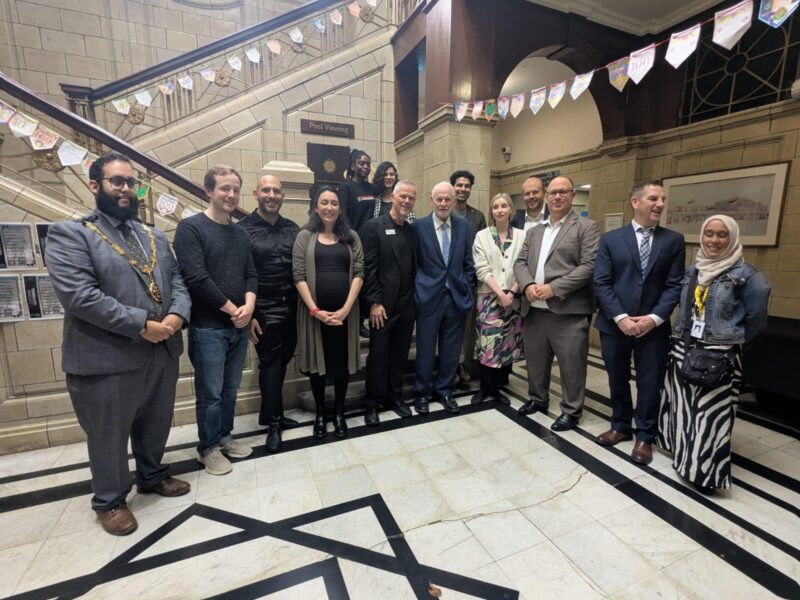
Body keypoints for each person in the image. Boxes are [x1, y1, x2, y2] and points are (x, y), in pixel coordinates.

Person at [46, 151, 191, 536]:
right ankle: (109, 500)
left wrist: (177, 316)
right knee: (109, 433)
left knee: (156, 422)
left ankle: (152, 474)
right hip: (107, 356)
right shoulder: (71, 234)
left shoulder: (154, 235)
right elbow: (80, 297)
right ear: (96, 186)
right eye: (117, 181)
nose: (127, 189)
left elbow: (177, 281)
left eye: (131, 182)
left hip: (162, 350)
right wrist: (143, 324)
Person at [659, 215, 770, 495]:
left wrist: (731, 339)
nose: (714, 240)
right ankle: (684, 460)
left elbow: (757, 318)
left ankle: (705, 473)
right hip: (685, 347)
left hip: (719, 354)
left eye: (722, 235)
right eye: (709, 233)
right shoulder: (693, 270)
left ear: (732, 238)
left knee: (710, 416)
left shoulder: (747, 275)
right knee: (684, 411)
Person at [593, 181, 685, 465]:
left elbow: (674, 285)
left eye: (662, 199)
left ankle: (645, 435)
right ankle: (620, 425)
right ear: (635, 202)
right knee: (617, 377)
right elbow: (602, 282)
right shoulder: (611, 240)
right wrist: (621, 318)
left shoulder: (673, 240)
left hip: (653, 329)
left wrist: (654, 318)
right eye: (653, 198)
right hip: (614, 325)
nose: (659, 204)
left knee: (649, 382)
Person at [173, 165, 257, 476]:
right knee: (211, 393)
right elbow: (196, 278)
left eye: (235, 189)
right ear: (208, 191)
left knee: (231, 389)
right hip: (208, 327)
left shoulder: (240, 233)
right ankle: (207, 448)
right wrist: (233, 309)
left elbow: (252, 273)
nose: (231, 194)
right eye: (224, 188)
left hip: (238, 325)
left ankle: (224, 438)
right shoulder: (190, 229)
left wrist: (248, 306)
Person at [513, 176, 599, 431]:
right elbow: (520, 262)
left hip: (568, 311)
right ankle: (537, 399)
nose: (557, 197)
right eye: (553, 193)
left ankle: (571, 410)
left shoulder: (586, 227)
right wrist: (528, 286)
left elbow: (589, 266)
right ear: (546, 196)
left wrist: (553, 288)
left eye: (563, 192)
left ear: (572, 195)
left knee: (572, 365)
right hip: (534, 311)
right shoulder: (535, 231)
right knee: (536, 361)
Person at [293, 186, 364, 438]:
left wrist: (345, 309)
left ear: (340, 208)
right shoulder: (305, 236)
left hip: (346, 316)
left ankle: (339, 413)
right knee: (318, 368)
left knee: (342, 366)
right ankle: (321, 413)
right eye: (324, 202)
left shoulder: (351, 237)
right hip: (315, 316)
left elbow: (359, 272)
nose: (329, 207)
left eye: (334, 203)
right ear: (316, 206)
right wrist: (315, 310)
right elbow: (298, 276)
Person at [238, 174, 300, 453]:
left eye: (276, 190)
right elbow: (240, 275)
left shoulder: (292, 228)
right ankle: (273, 424)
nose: (272, 195)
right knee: (271, 365)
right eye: (266, 190)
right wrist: (249, 315)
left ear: (282, 195)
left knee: (284, 360)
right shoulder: (242, 230)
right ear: (255, 193)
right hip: (263, 307)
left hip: (293, 306)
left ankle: (268, 412)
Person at [413, 181, 476, 415]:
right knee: (426, 349)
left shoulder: (463, 226)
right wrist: (418, 290)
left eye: (447, 199)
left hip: (456, 299)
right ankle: (421, 393)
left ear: (453, 200)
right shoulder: (419, 227)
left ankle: (445, 391)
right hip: (428, 298)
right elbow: (414, 263)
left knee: (451, 350)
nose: (443, 203)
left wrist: (467, 289)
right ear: (431, 200)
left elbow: (469, 263)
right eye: (438, 199)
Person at [361, 180, 418, 426]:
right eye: (403, 196)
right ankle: (372, 403)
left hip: (407, 306)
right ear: (393, 197)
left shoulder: (412, 230)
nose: (406, 201)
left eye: (411, 198)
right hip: (382, 307)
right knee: (378, 356)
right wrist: (374, 302)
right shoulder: (373, 227)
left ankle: (395, 397)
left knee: (399, 355)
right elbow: (368, 268)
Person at [471, 193, 525, 405]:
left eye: (504, 206)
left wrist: (511, 292)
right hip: (489, 296)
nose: (500, 210)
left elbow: (523, 265)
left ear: (511, 209)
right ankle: (486, 388)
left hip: (513, 297)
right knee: (488, 343)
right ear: (491, 211)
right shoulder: (482, 236)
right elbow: (481, 268)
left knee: (506, 342)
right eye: (496, 207)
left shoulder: (522, 236)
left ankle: (498, 387)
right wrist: (500, 294)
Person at [450, 170, 486, 384]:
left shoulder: (477, 217)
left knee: (467, 327)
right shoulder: (444, 211)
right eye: (459, 185)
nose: (463, 189)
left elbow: (480, 249)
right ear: (452, 186)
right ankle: (450, 364)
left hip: (469, 280)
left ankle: (463, 365)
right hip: (446, 280)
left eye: (467, 186)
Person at [338, 149, 376, 234]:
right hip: (354, 238)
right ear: (352, 167)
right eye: (361, 164)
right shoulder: (346, 187)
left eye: (368, 164)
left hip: (370, 239)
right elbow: (343, 216)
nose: (366, 167)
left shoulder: (373, 188)